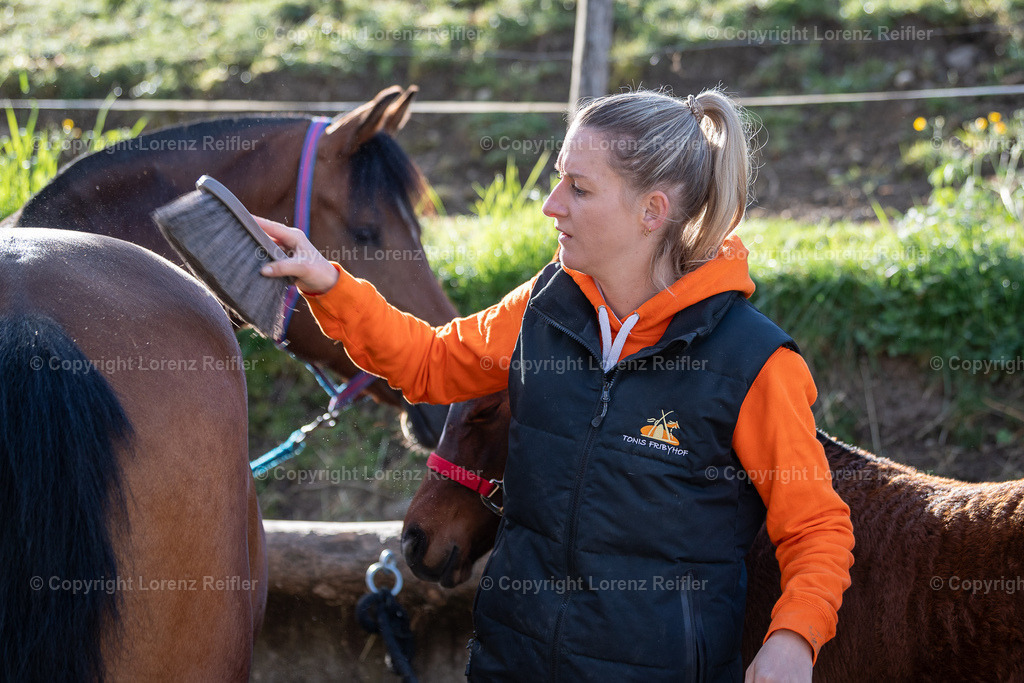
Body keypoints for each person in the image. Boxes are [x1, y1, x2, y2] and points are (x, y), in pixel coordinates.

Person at [257, 87, 855, 682]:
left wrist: (794, 637)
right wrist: (326, 282)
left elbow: (816, 526)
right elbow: (428, 363)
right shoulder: (542, 305)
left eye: (580, 188)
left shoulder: (753, 363)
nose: (551, 205)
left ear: (652, 211)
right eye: (559, 178)